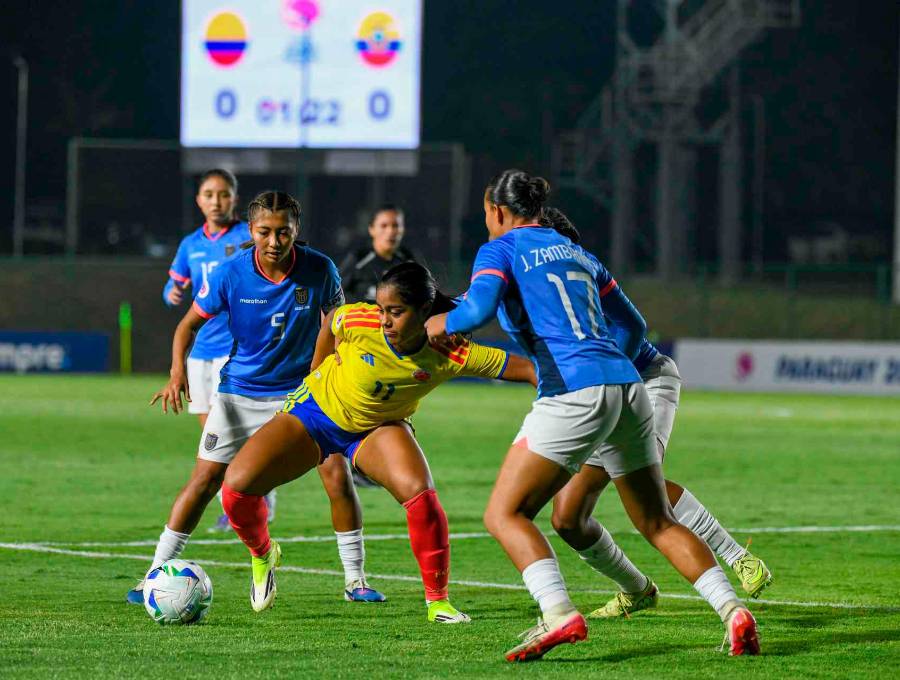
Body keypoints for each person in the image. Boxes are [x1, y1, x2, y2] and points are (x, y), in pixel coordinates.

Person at [425, 170, 760, 661]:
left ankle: (559, 613)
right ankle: (733, 612)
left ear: (497, 211)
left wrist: (442, 322)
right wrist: (605, 366)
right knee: (656, 520)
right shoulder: (578, 252)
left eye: (485, 215)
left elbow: (477, 312)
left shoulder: (500, 248)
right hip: (627, 384)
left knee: (505, 513)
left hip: (574, 391)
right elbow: (635, 324)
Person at [218, 262, 537, 621]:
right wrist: (316, 370)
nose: (384, 320)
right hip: (316, 414)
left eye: (396, 312)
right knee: (237, 488)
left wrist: (569, 390)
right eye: (382, 309)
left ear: (424, 313)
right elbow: (331, 320)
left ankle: (438, 603)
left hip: (378, 427)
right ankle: (263, 553)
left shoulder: (449, 350)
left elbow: (526, 369)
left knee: (420, 494)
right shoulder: (361, 320)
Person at [127, 191, 385, 606]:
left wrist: (340, 378)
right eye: (265, 231)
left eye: (284, 232)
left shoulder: (320, 269)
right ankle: (153, 575)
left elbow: (338, 325)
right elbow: (187, 326)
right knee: (205, 481)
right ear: (251, 231)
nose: (275, 241)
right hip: (239, 393)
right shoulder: (231, 273)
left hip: (303, 396)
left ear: (296, 231)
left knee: (336, 477)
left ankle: (355, 580)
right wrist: (178, 372)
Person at [539, 207, 772, 617]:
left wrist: (602, 382)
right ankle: (636, 589)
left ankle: (738, 559)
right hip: (602, 395)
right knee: (568, 517)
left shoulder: (583, 280)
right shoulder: (544, 290)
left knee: (646, 485)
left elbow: (631, 330)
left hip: (646, 381)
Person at [161, 169, 269, 533]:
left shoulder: (247, 236)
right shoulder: (190, 244)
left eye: (223, 194)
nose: (216, 200)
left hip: (234, 348)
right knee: (211, 433)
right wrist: (171, 293)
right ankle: (251, 493)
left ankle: (247, 499)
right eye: (209, 194)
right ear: (199, 200)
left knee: (224, 436)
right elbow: (174, 285)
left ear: (234, 198)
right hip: (200, 351)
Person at [339, 204, 417, 303]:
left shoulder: (408, 259)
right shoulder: (359, 259)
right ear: (371, 229)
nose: (390, 231)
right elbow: (336, 295)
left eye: (396, 225)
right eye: (384, 226)